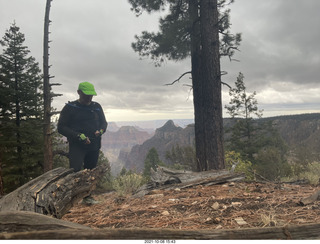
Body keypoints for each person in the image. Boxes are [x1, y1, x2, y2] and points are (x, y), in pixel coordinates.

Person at [58, 81, 108, 205]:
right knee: (75, 171)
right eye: (86, 95)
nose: (89, 98)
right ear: (79, 92)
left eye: (91, 95)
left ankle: (88, 197)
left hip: (94, 145)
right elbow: (61, 127)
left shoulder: (96, 106)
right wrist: (78, 136)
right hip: (77, 146)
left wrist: (101, 131)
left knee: (90, 171)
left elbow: (104, 123)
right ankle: (71, 199)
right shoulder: (70, 108)